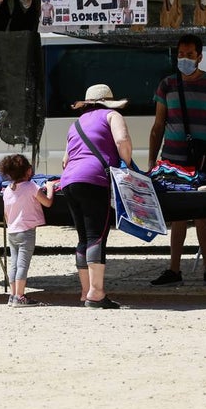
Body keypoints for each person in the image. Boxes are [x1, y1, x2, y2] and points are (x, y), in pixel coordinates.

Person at [148, 33, 206, 286]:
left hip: (203, 162)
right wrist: (152, 162)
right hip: (172, 162)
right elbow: (158, 126)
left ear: (200, 57)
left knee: (202, 214)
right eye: (181, 54)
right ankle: (174, 269)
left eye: (190, 55)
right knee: (178, 216)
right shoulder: (167, 85)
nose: (184, 58)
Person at [61, 84, 134, 309]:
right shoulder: (112, 115)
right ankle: (96, 293)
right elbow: (122, 141)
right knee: (97, 236)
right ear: (108, 102)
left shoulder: (76, 124)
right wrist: (128, 166)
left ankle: (86, 291)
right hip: (94, 179)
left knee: (83, 237)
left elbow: (65, 160)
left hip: (68, 181)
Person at [0, 153, 55, 307]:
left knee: (14, 264)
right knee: (23, 265)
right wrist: (50, 188)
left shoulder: (7, 190)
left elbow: (6, 213)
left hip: (12, 231)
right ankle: (20, 296)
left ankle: (13, 295)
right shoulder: (31, 187)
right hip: (26, 231)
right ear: (28, 171)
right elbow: (47, 202)